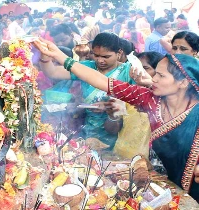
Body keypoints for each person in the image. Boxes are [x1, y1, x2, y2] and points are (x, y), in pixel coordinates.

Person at [34, 38, 199, 201]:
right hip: (163, 184)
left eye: (161, 76)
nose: (153, 79)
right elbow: (102, 81)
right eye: (155, 73)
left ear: (183, 82)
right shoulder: (150, 99)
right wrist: (60, 56)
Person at [38, 33, 136, 149]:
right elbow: (53, 72)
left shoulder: (128, 72)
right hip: (89, 130)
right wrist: (45, 56)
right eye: (96, 55)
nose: (100, 61)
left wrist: (110, 106)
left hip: (119, 133)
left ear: (119, 53)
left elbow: (137, 105)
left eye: (106, 57)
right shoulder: (86, 67)